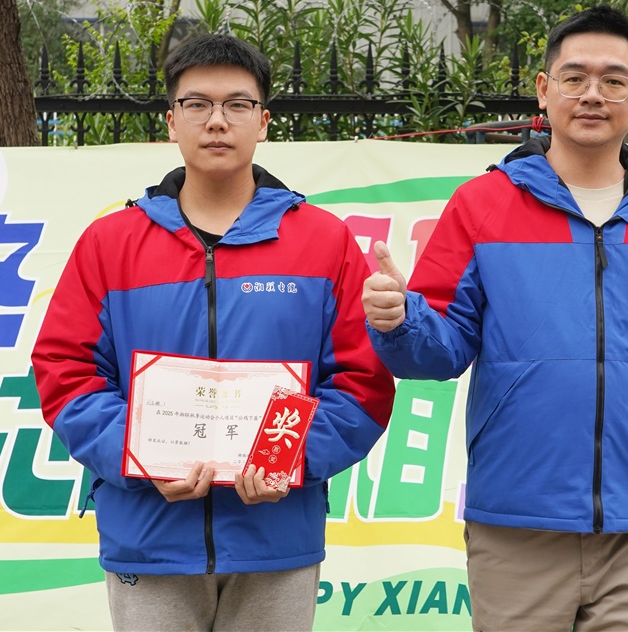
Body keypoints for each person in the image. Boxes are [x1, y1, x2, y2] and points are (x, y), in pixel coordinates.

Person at [362, 5, 628, 631]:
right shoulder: (483, 205)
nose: (593, 94)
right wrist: (401, 320)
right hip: (517, 522)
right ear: (544, 89)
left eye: (613, 80)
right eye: (574, 77)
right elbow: (440, 350)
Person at [33, 34, 395, 632]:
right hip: (148, 539)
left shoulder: (323, 241)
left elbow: (363, 379)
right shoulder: (110, 243)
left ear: (264, 122)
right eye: (197, 104)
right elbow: (65, 372)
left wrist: (284, 459)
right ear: (171, 121)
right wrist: (142, 456)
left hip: (277, 539)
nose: (217, 121)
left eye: (237, 104)